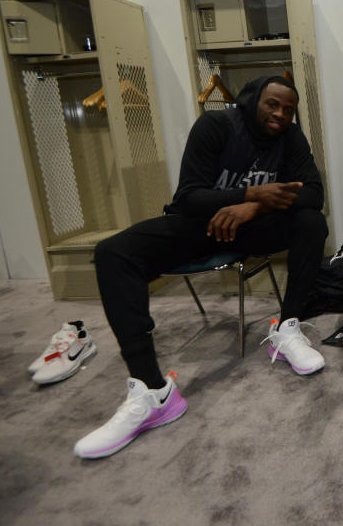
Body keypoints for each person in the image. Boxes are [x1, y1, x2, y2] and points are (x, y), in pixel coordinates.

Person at [74, 75, 328, 459]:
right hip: (202, 226)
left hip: (253, 227)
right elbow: (190, 197)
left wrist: (253, 205)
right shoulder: (217, 125)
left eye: (288, 109)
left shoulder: (291, 138)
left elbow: (313, 193)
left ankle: (287, 329)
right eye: (272, 104)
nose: (280, 114)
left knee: (312, 222)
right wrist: (248, 192)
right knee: (113, 252)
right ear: (253, 100)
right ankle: (153, 392)